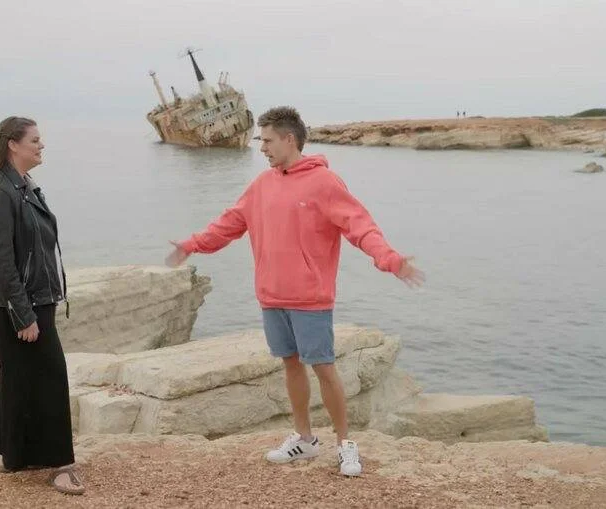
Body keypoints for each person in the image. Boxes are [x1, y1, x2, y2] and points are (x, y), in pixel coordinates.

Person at [165, 106, 424, 477]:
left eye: (268, 141)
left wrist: (390, 259)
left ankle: (345, 444)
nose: (262, 148)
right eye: (261, 141)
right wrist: (192, 244)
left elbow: (360, 227)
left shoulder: (324, 183)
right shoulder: (261, 185)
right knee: (290, 365)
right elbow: (229, 224)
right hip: (272, 296)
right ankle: (305, 439)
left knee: (324, 368)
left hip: (310, 298)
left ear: (290, 139)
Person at [0, 116, 84, 495]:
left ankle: (16, 456)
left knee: (19, 378)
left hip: (34, 299)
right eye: (34, 140)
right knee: (50, 377)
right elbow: (0, 261)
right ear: (12, 144)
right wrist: (23, 314)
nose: (41, 145)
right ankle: (60, 464)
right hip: (18, 305)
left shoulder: (23, 186)